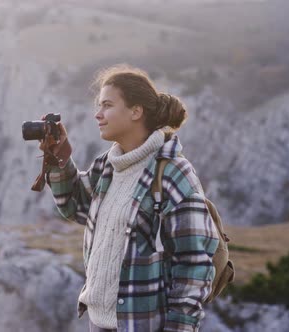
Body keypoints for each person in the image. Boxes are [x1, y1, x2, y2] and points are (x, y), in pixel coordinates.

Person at [39, 64, 219, 332]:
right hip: (98, 323)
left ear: (136, 111)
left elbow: (194, 261)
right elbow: (74, 204)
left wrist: (180, 327)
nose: (98, 114)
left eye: (107, 105)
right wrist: (58, 154)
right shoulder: (108, 165)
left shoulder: (172, 172)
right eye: (98, 106)